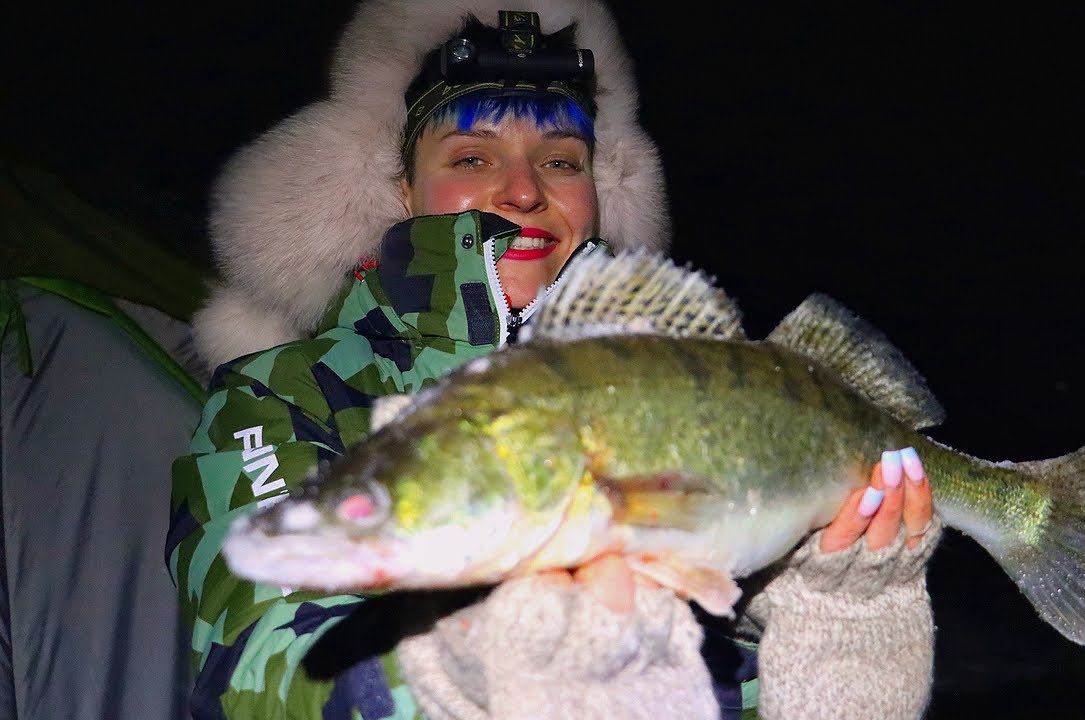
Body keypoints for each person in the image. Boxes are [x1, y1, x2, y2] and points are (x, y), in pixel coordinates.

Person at [169, 2, 942, 718]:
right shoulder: (284, 393)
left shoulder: (691, 385)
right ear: (403, 190)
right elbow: (263, 662)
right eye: (471, 157)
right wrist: (459, 674)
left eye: (563, 161)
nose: (522, 190)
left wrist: (839, 637)